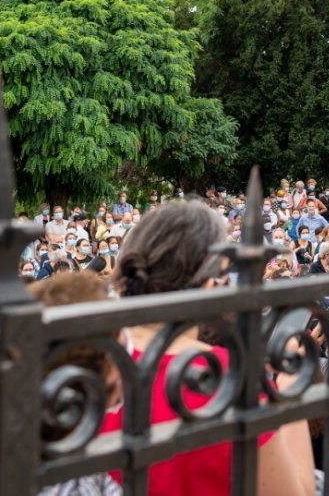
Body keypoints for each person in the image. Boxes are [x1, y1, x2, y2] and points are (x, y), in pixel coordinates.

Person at [104, 201, 315, 496]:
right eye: (224, 278)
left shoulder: (94, 362)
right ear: (208, 284)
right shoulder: (230, 377)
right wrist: (291, 391)